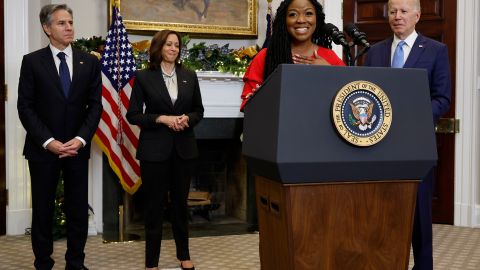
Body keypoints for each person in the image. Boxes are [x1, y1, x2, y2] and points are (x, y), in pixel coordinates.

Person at [364, 0, 451, 269]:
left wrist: (413, 117)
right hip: (378, 144)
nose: (397, 16)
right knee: (380, 210)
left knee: (419, 214)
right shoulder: (374, 53)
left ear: (417, 15)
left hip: (416, 143)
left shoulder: (436, 50)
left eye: (403, 11)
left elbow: (442, 98)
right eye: (392, 12)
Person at [17, 4, 102, 270]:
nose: (69, 27)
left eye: (70, 22)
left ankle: (75, 263)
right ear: (47, 28)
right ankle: (43, 263)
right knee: (43, 210)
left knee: (77, 210)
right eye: (62, 23)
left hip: (77, 149)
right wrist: (48, 142)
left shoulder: (88, 62)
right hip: (43, 150)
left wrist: (80, 139)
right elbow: (25, 107)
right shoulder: (32, 61)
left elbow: (95, 105)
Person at [126, 30, 204, 270]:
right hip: (154, 152)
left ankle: (184, 255)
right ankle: (152, 262)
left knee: (180, 206)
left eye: (177, 45)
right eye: (169, 44)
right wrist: (161, 118)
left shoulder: (189, 75)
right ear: (158, 47)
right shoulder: (143, 77)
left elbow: (198, 111)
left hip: (184, 150)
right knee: (154, 207)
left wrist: (185, 119)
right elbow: (133, 115)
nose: (173, 48)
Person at [240, 0, 345, 111]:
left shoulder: (329, 56)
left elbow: (348, 96)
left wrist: (330, 72)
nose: (301, 20)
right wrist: (257, 99)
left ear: (317, 19)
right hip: (279, 125)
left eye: (308, 13)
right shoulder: (265, 56)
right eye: (292, 14)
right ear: (284, 20)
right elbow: (247, 106)